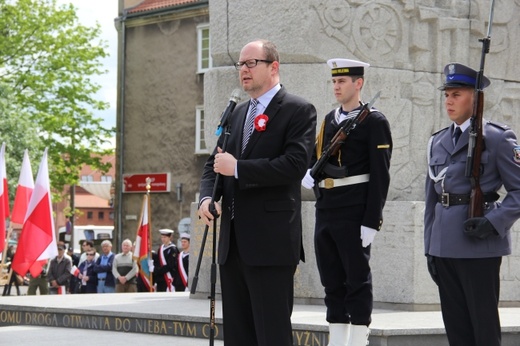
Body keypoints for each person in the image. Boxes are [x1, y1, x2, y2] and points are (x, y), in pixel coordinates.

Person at [198, 39, 317, 346]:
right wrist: (207, 198)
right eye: (241, 64)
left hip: (270, 244)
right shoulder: (236, 114)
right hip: (232, 244)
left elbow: (294, 165)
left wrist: (238, 168)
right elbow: (214, 165)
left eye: (252, 63)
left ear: (273, 67)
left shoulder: (298, 110)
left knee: (271, 335)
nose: (244, 70)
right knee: (238, 336)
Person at [424, 62, 520, 346]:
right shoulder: (437, 141)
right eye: (447, 95)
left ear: (475, 98)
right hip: (444, 247)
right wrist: (429, 247)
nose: (449, 101)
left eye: (456, 94)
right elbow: (432, 199)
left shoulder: (499, 138)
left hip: (479, 246)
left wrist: (493, 222)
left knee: (484, 329)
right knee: (457, 331)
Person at [301, 58, 392, 345]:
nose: (336, 86)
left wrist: (371, 219)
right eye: (334, 81)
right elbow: (319, 156)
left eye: (342, 81)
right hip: (326, 208)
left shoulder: (374, 121)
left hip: (354, 210)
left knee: (357, 279)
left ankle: (358, 340)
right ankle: (338, 340)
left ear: (359, 83)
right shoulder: (330, 119)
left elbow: (380, 175)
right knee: (331, 281)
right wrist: (311, 174)